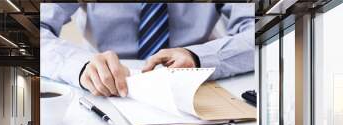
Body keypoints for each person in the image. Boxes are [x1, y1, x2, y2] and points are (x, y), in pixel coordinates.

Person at [41, 3, 254, 97]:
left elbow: (268, 30)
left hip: (200, 83)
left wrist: (199, 57)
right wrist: (80, 65)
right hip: (103, 89)